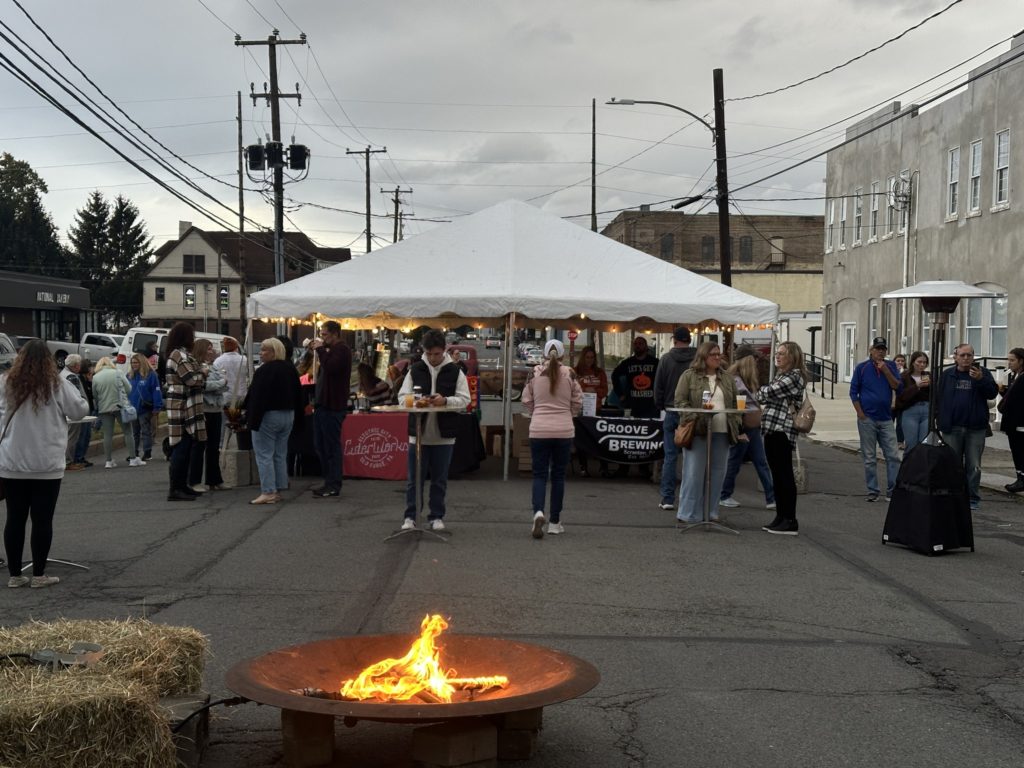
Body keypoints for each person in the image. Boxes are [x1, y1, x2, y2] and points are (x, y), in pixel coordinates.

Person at [2, 339, 88, 588]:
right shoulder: (57, 384)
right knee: (42, 519)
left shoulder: (5, 382)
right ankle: (39, 574)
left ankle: (15, 575)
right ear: (48, 360)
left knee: (14, 518)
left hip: (12, 460)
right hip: (46, 462)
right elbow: (79, 411)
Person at [398, 329, 470, 531]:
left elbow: (465, 400)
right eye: (429, 354)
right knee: (414, 480)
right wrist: (415, 402)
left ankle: (436, 516)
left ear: (444, 350)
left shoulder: (455, 371)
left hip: (444, 437)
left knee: (439, 480)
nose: (432, 358)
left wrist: (445, 401)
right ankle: (411, 516)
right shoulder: (415, 369)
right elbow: (402, 397)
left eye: (437, 354)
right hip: (418, 436)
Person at [673, 342, 742, 525]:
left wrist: (736, 421)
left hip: (722, 431)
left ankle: (710, 512)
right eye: (713, 354)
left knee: (718, 473)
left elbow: (735, 403)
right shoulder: (689, 376)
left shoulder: (727, 378)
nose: (717, 357)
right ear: (703, 356)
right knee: (694, 473)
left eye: (719, 354)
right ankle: (689, 513)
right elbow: (680, 402)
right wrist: (695, 417)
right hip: (698, 431)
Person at [523, 339, 583, 538]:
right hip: (563, 430)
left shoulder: (534, 372)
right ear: (563, 355)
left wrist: (536, 413)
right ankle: (555, 522)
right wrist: (569, 415)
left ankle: (538, 512)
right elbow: (578, 400)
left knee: (539, 475)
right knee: (558, 476)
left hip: (539, 429)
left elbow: (526, 399)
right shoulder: (570, 373)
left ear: (544, 354)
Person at [755, 341, 809, 535]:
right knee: (777, 475)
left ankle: (789, 519)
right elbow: (764, 395)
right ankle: (780, 516)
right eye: (777, 353)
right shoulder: (781, 375)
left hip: (782, 430)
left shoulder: (795, 376)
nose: (777, 356)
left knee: (784, 475)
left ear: (792, 356)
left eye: (782, 353)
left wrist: (762, 391)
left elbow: (767, 393)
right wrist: (763, 392)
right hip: (771, 428)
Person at [244, 338, 305, 505]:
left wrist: (250, 418)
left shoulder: (265, 370)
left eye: (264, 350)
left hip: (268, 416)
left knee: (264, 454)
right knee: (280, 453)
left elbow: (257, 397)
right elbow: (299, 394)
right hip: (288, 415)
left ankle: (268, 491)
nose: (260, 353)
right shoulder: (290, 369)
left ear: (274, 352)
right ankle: (279, 486)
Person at [938, 343, 997, 511]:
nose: (966, 358)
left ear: (973, 357)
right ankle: (953, 496)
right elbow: (938, 397)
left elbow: (992, 393)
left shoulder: (983, 373)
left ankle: (972, 498)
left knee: (974, 466)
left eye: (969, 355)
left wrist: (980, 380)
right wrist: (939, 419)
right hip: (952, 427)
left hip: (975, 428)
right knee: (952, 465)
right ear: (955, 357)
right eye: (962, 355)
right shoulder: (947, 375)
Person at [719, 353, 775, 511]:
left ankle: (771, 498)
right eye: (754, 362)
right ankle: (724, 495)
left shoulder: (739, 380)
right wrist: (739, 430)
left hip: (750, 426)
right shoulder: (737, 382)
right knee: (741, 462)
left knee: (751, 461)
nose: (756, 365)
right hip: (745, 426)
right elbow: (738, 407)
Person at [850, 337, 902, 502]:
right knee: (869, 457)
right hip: (868, 418)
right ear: (871, 350)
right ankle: (873, 490)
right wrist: (860, 413)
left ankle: (892, 490)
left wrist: (885, 370)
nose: (880, 352)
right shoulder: (862, 368)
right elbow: (853, 392)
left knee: (893, 456)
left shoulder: (891, 366)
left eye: (883, 349)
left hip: (886, 418)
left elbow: (896, 386)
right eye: (877, 349)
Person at [309, 320, 352, 498]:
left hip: (333, 406)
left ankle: (333, 484)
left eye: (325, 334)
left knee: (330, 446)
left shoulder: (342, 350)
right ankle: (329, 481)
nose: (322, 337)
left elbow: (331, 367)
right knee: (321, 445)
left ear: (335, 334)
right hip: (323, 405)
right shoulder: (332, 350)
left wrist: (320, 350)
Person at [653, 327, 695, 510]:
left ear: (674, 339)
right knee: (692, 457)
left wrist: (660, 405)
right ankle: (689, 498)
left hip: (671, 410)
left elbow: (658, 387)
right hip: (692, 411)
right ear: (690, 339)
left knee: (670, 456)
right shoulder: (696, 360)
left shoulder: (666, 359)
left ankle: (668, 498)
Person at [164, 322, 207, 502]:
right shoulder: (178, 355)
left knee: (187, 446)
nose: (193, 338)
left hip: (184, 404)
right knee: (180, 447)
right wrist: (203, 373)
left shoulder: (181, 354)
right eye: (192, 335)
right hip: (181, 405)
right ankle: (175, 488)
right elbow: (191, 379)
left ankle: (182, 485)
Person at [188, 339, 227, 492]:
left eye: (212, 349)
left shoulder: (214, 366)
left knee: (214, 447)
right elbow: (204, 386)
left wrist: (219, 384)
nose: (212, 352)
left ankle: (214, 480)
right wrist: (220, 383)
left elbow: (223, 384)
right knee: (199, 446)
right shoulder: (196, 367)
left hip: (216, 409)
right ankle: (194, 481)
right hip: (203, 409)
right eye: (209, 349)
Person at [92, 357, 141, 469]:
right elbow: (128, 388)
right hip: (120, 407)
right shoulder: (118, 373)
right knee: (128, 432)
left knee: (107, 435)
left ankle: (108, 461)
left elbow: (95, 395)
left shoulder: (96, 377)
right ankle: (133, 459)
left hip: (104, 408)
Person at [573, 345, 608, 477]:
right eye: (587, 357)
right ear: (583, 357)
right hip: (581, 410)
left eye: (592, 357)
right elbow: (572, 389)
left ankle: (603, 467)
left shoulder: (600, 372)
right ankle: (583, 467)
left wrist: (595, 391)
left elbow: (605, 390)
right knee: (582, 440)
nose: (589, 360)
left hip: (596, 409)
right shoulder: (575, 371)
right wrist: (584, 389)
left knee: (599, 439)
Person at [127, 352, 163, 462]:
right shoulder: (129, 376)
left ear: (141, 363)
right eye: (132, 363)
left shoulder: (151, 375)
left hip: (145, 408)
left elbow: (156, 391)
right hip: (132, 409)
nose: (134, 365)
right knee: (134, 432)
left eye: (136, 362)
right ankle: (134, 452)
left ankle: (147, 452)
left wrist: (157, 407)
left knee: (145, 431)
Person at [612, 336, 659, 418]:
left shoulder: (655, 362)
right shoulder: (627, 363)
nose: (637, 346)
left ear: (646, 346)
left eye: (640, 344)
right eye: (635, 344)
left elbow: (663, 379)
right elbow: (614, 375)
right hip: (632, 404)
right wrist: (620, 394)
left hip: (650, 405)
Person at [998, 348, 1024, 493]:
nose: (1009, 363)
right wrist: (1003, 391)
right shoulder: (1015, 376)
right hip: (1013, 422)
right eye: (1008, 360)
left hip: (1019, 422)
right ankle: (1020, 477)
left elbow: (1015, 400)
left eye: (1012, 360)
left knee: (1020, 450)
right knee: (1016, 450)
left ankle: (1022, 479)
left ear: (1021, 361)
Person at [894, 351, 931, 452]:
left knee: (924, 444)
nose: (922, 365)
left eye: (924, 362)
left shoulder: (928, 375)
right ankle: (909, 462)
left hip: (926, 411)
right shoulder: (904, 376)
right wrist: (916, 386)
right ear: (913, 362)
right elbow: (901, 396)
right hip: (910, 411)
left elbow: (935, 395)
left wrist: (930, 386)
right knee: (911, 444)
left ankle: (921, 462)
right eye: (919, 362)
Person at [59, 354, 88, 471]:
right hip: (72, 411)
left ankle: (66, 460)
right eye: (79, 365)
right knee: (72, 437)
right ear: (75, 366)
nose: (80, 367)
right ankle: (68, 461)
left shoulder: (62, 374)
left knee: (68, 435)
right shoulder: (72, 377)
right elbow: (76, 396)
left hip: (65, 410)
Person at [213, 336, 248, 410]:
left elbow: (215, 378)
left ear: (224, 347)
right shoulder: (245, 359)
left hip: (226, 397)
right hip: (242, 396)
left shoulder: (218, 361)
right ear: (236, 347)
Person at [72, 359, 96, 468]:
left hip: (88, 409)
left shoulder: (86, 379)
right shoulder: (80, 379)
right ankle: (78, 457)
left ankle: (82, 457)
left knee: (87, 435)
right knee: (82, 435)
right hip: (84, 410)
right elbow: (88, 394)